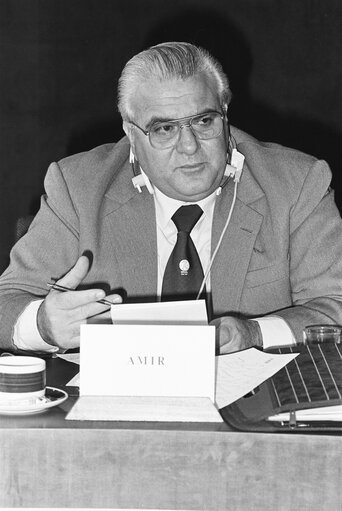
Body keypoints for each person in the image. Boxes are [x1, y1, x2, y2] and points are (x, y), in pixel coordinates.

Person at [1, 41, 342, 355]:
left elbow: (334, 304)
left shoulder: (296, 184)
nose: (190, 146)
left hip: (251, 407)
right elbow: (7, 303)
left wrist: (254, 333)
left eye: (204, 121)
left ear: (225, 113)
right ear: (131, 134)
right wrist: (43, 324)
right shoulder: (79, 188)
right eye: (164, 129)